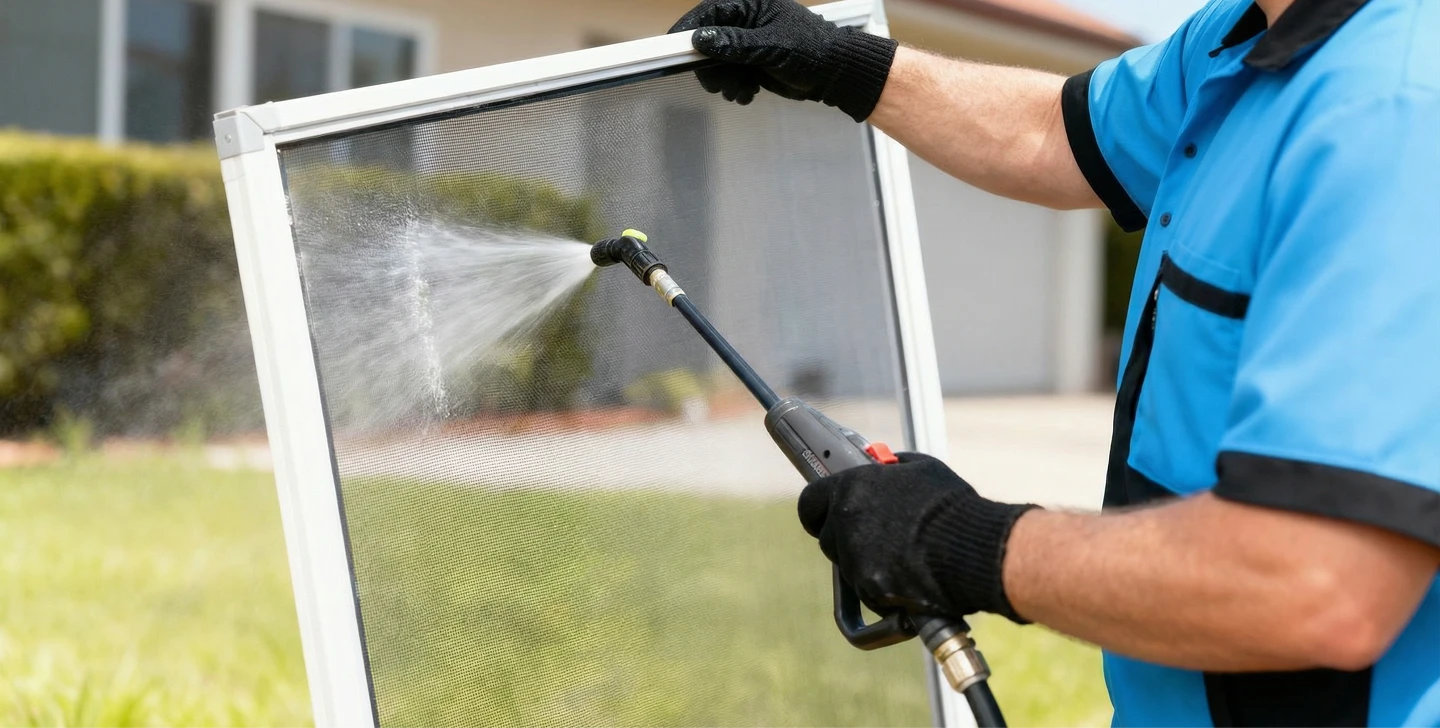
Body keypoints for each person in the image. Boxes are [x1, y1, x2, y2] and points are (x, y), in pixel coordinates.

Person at [668, 0, 1440, 725]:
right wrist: (840, 63)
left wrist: (962, 541)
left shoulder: (1396, 107)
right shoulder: (1235, 40)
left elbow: (1319, 580)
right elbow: (1054, 134)